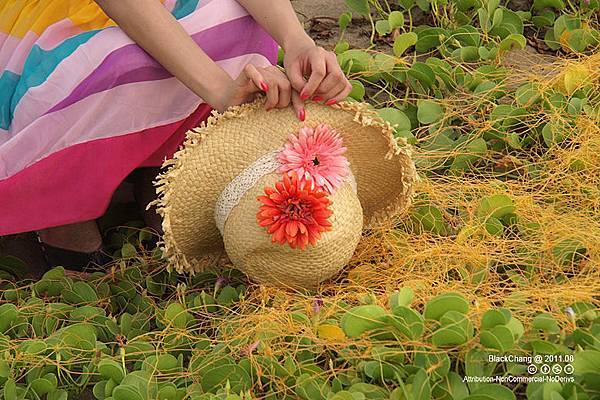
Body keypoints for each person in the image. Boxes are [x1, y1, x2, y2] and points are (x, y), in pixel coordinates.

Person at [0, 0, 352, 273]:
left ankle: (156, 165)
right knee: (106, 63)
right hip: (59, 14)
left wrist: (296, 41)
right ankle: (62, 207)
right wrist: (219, 90)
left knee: (237, 21)